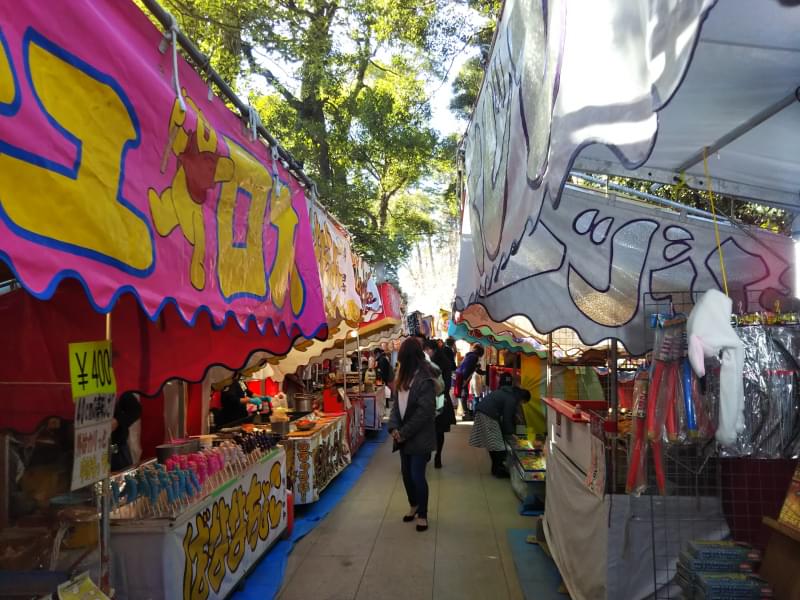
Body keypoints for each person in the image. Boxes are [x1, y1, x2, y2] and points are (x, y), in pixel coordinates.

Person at [387, 338, 437, 532]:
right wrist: (393, 428)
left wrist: (404, 432)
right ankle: (413, 504)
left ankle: (423, 514)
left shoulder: (425, 377)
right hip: (403, 436)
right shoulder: (403, 376)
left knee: (417, 475)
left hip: (419, 435)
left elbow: (425, 412)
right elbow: (396, 408)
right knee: (406, 474)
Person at [469, 385, 531, 477]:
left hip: (483, 412)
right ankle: (498, 470)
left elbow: (509, 417)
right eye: (523, 402)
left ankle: (496, 468)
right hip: (488, 415)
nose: (521, 404)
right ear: (522, 398)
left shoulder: (510, 393)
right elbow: (507, 418)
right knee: (498, 444)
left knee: (493, 444)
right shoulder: (512, 399)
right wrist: (512, 433)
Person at [423, 339, 457, 468]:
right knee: (439, 429)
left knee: (429, 427)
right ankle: (438, 456)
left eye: (426, 350)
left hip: (432, 398)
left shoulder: (430, 363)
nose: (425, 353)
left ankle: (428, 455)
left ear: (432, 350)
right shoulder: (445, 361)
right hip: (442, 398)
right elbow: (447, 384)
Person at [111, 391, 142, 471]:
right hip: (88, 451)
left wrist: (118, 421)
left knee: (124, 480)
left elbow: (135, 410)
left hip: (117, 449)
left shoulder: (120, 388)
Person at [455, 344, 485, 421]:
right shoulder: (473, 357)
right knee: (464, 394)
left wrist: (484, 372)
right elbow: (467, 368)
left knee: (464, 394)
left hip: (461, 375)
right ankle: (466, 413)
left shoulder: (471, 356)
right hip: (463, 376)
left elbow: (476, 369)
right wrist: (465, 380)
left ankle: (466, 413)